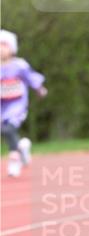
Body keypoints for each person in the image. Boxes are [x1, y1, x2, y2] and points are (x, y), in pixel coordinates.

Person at [0, 29, 47, 178]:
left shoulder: (19, 65)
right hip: (2, 105)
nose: (1, 49)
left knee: (8, 129)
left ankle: (14, 159)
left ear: (12, 48)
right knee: (5, 129)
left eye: (4, 45)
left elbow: (31, 77)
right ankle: (22, 147)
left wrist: (39, 88)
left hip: (17, 105)